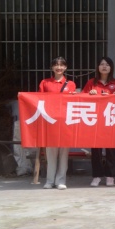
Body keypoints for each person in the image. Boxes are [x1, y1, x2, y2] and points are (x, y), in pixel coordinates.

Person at [83, 56, 115, 187]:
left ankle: (110, 176)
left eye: (107, 64)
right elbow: (82, 97)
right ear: (98, 67)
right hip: (95, 119)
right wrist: (90, 94)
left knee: (111, 148)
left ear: (111, 68)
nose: (104, 67)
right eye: (102, 64)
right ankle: (97, 176)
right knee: (96, 149)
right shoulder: (91, 82)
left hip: (110, 119)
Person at [38, 57, 77, 190]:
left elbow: (73, 102)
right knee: (51, 154)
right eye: (56, 65)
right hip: (50, 122)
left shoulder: (71, 84)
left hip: (65, 122)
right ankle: (49, 181)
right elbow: (39, 100)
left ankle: (61, 180)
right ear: (52, 67)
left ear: (65, 67)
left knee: (64, 154)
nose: (58, 67)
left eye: (61, 65)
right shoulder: (45, 82)